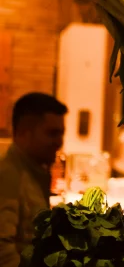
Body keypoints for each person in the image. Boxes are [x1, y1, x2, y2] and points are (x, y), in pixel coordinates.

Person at [0, 93, 66, 265]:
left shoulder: (32, 172)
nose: (60, 142)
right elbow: (3, 253)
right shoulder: (8, 177)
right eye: (52, 133)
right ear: (24, 133)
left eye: (61, 133)